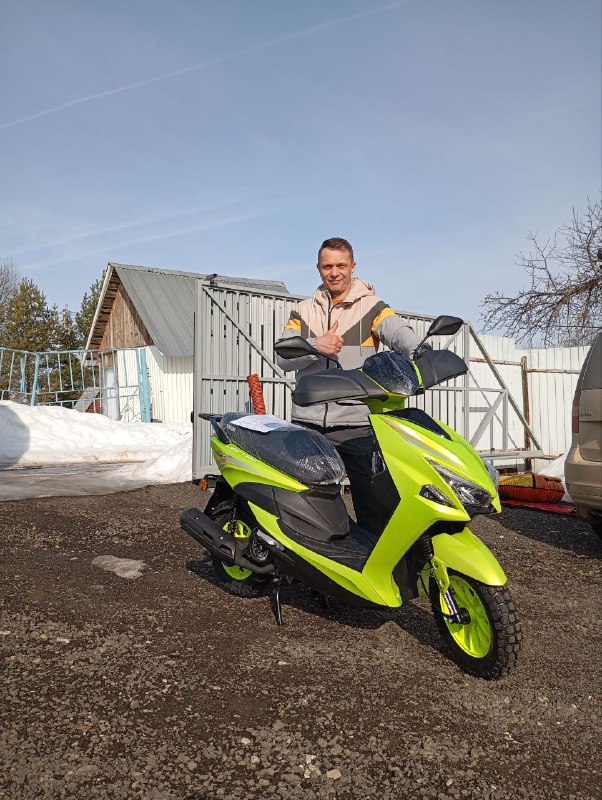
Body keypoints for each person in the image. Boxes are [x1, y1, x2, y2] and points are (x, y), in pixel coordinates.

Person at [275, 237, 424, 534]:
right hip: (308, 422)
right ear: (318, 268)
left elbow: (398, 332)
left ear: (353, 266)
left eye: (341, 265)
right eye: (327, 266)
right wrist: (316, 346)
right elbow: (283, 356)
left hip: (357, 424)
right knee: (309, 502)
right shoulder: (302, 311)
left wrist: (421, 351)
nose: (334, 273)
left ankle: (372, 557)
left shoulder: (373, 307)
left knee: (371, 505)